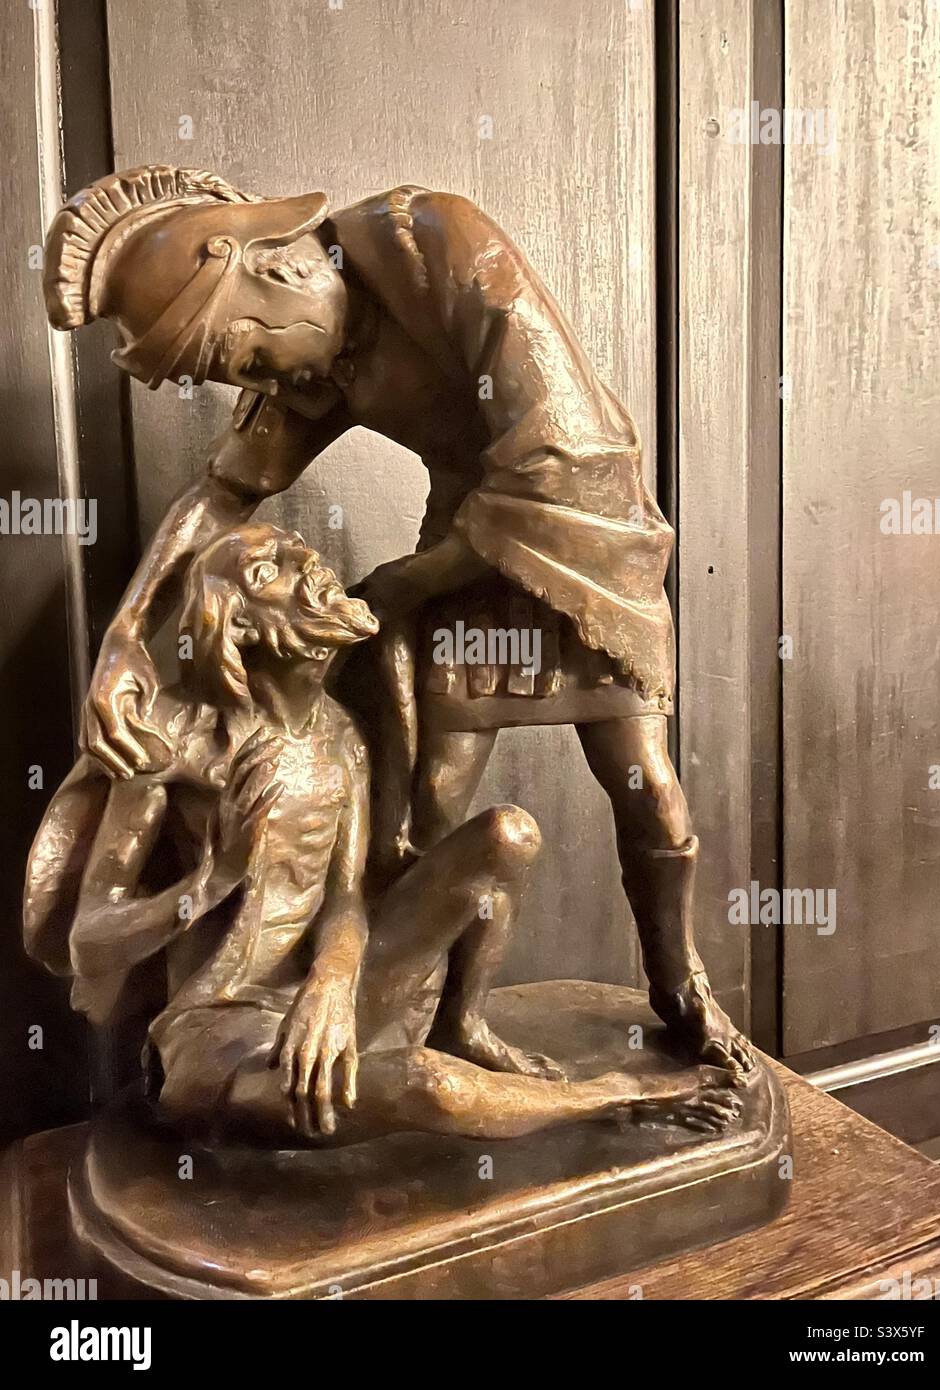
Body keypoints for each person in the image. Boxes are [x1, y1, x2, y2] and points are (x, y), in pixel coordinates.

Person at [42, 164, 753, 1076]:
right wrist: (127, 640)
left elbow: (562, 447)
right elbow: (227, 490)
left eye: (251, 359)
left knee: (648, 785)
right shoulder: (316, 356)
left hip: (585, 538)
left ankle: (679, 980)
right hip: (461, 549)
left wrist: (400, 588)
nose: (268, 385)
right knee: (422, 810)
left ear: (279, 269)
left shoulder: (432, 243)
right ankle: (429, 1025)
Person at [24, 523, 740, 1144]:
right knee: (428, 1087)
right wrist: (209, 883)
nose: (308, 565)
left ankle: (464, 1023)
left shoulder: (340, 737)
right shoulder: (171, 740)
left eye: (298, 550)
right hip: (222, 1038)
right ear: (232, 624)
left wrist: (332, 986)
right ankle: (619, 1096)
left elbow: (343, 902)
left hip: (335, 995)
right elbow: (90, 935)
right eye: (269, 570)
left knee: (506, 836)